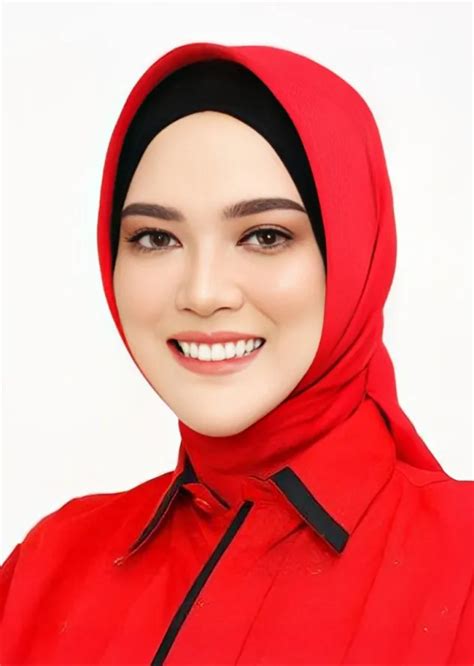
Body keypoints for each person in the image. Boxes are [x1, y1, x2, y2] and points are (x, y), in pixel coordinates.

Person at [1, 41, 472, 665]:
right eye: (155, 237)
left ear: (355, 251)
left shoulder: (461, 569)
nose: (203, 293)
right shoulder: (46, 571)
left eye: (265, 235)